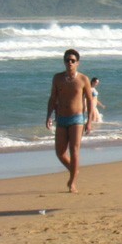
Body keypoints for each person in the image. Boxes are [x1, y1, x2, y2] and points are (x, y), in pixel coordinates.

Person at [46, 49, 94, 193]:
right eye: (67, 60)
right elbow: (53, 98)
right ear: (64, 62)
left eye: (73, 61)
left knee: (74, 150)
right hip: (61, 118)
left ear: (78, 63)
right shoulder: (57, 78)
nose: (70, 63)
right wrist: (48, 116)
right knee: (60, 152)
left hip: (77, 119)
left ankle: (72, 182)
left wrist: (89, 121)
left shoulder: (83, 79)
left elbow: (90, 101)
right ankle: (74, 170)